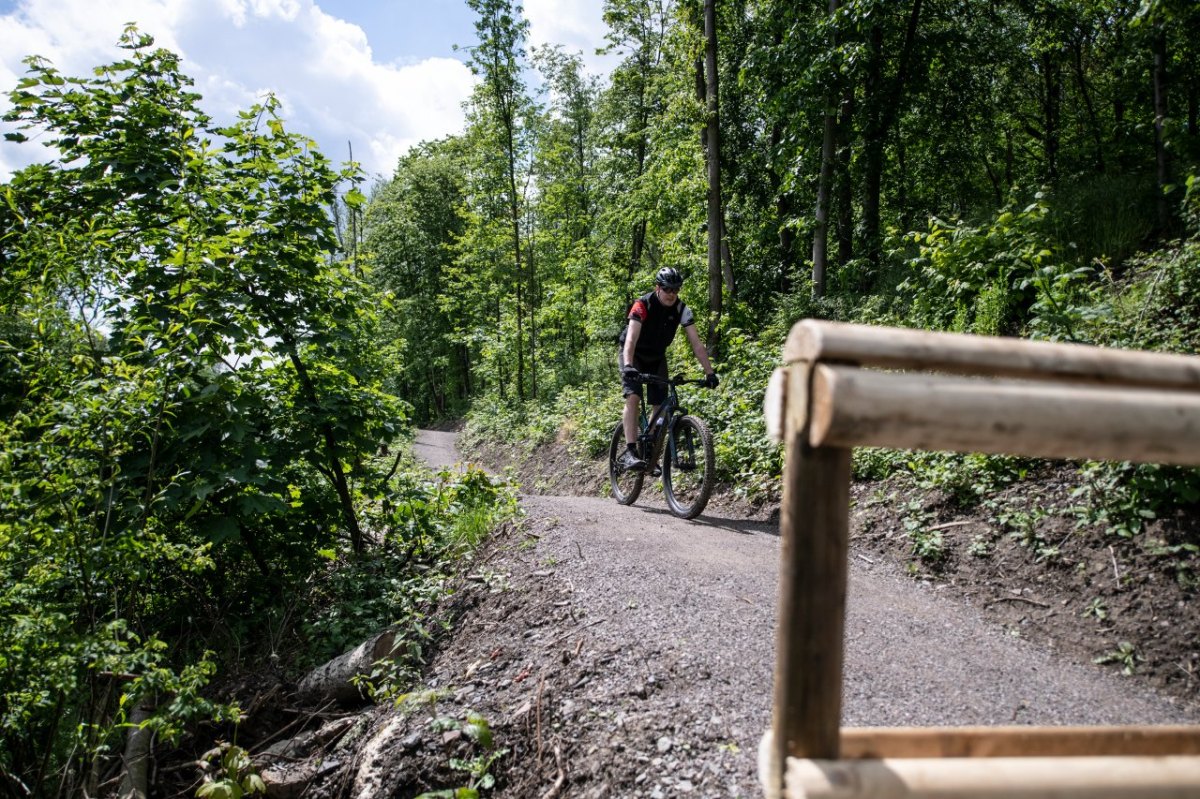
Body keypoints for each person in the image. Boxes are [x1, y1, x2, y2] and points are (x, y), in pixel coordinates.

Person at [617, 267, 718, 472]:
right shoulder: (642, 305)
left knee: (660, 405)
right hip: (634, 354)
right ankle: (630, 452)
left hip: (656, 357)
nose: (672, 294)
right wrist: (628, 365)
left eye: (676, 289)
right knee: (633, 396)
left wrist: (710, 372)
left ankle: (649, 453)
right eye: (667, 289)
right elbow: (630, 340)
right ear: (658, 288)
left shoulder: (682, 309)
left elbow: (697, 345)